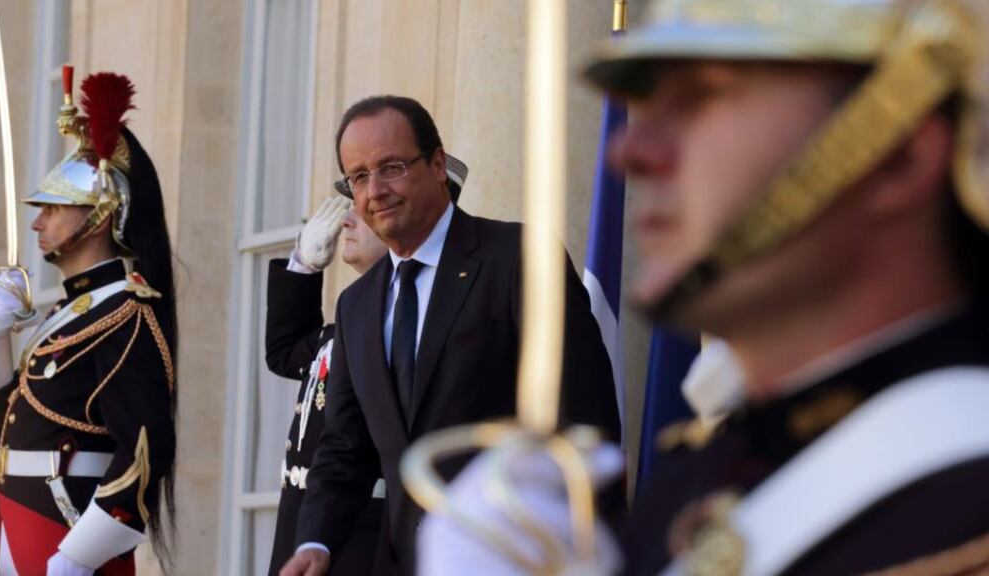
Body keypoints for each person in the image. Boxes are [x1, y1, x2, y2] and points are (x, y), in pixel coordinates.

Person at [422, 0, 989, 574]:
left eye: (707, 97)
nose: (629, 150)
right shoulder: (695, 484)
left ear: (900, 158)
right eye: (651, 103)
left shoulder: (965, 503)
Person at [280, 95, 622, 576]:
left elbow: (582, 422)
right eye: (358, 177)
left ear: (438, 164)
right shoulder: (356, 306)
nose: (374, 190)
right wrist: (316, 541)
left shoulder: (517, 259)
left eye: (391, 167)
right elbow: (343, 450)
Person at [0, 71, 178, 575]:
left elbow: (144, 453)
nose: (38, 222)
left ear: (99, 216)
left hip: (71, 532)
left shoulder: (126, 313)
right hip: (20, 525)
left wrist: (76, 557)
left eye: (53, 207)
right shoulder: (64, 317)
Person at [265, 153, 470, 576]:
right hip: (306, 527)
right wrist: (302, 267)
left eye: (368, 210)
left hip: (364, 534)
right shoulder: (352, 319)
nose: (349, 220)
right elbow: (284, 353)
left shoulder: (422, 327)